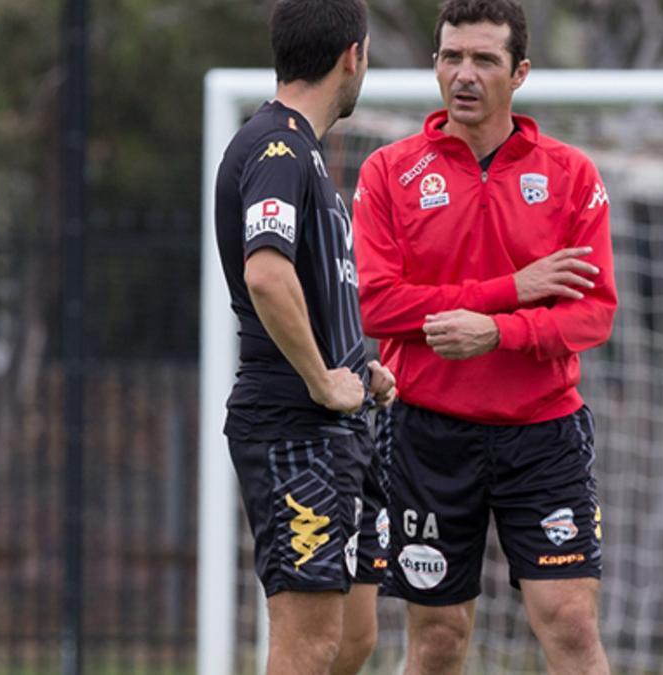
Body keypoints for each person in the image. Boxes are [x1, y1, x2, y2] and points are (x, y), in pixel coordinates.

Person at [351, 1, 616, 672]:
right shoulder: (389, 173)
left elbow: (592, 315)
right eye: (451, 57)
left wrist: (496, 333)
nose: (464, 74)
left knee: (574, 626)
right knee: (439, 639)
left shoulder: (569, 176)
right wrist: (512, 289)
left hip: (543, 436)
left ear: (518, 72)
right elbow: (376, 305)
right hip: (428, 436)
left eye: (484, 60)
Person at [212, 1, 396, 673]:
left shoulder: (304, 154)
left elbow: (314, 293)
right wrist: (322, 380)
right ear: (354, 56)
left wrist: (356, 365)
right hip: (294, 427)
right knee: (309, 640)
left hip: (339, 426)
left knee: (352, 638)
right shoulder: (277, 146)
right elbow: (267, 274)